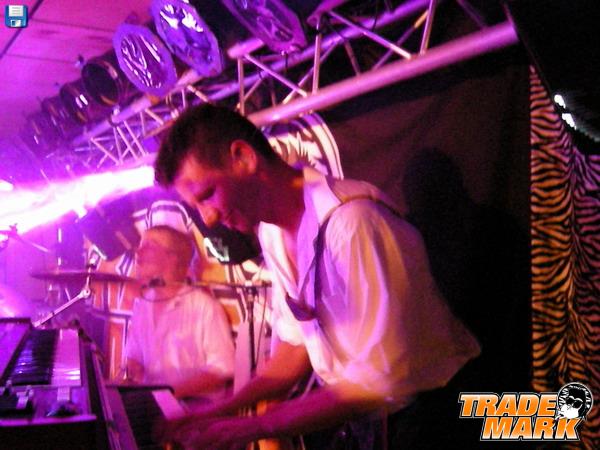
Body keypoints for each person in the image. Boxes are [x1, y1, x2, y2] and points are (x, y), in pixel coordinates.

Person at [153, 104, 481, 449]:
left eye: (207, 195)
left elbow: (379, 382)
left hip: (438, 416)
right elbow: (295, 346)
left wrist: (246, 428)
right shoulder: (272, 234)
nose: (207, 219)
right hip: (378, 421)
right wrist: (215, 413)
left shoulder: (351, 222)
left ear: (244, 158)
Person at [125, 225, 235, 400]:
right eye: (140, 245)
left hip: (195, 409)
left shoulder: (203, 306)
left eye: (149, 246)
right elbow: (134, 357)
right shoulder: (142, 305)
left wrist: (168, 395)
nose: (139, 252)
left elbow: (222, 370)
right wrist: (130, 371)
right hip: (155, 406)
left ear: (172, 258)